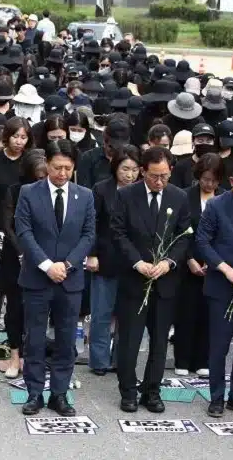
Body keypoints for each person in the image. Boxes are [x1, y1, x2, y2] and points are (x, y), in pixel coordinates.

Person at [15, 139, 96, 416]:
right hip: (38, 278)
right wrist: (47, 265)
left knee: (65, 339)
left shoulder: (84, 195)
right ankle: (34, 393)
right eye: (57, 167)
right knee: (35, 338)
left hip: (70, 279)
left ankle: (59, 394)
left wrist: (69, 264)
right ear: (46, 164)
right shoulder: (28, 192)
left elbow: (88, 234)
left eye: (67, 168)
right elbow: (24, 233)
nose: (62, 174)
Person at [111, 146, 191, 413]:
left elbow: (185, 236)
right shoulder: (126, 196)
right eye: (154, 176)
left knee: (159, 341)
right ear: (143, 172)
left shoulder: (178, 197)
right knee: (130, 340)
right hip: (135, 280)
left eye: (165, 176)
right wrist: (138, 262)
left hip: (165, 282)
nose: (160, 182)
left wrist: (168, 263)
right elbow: (118, 233)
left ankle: (152, 390)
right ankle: (128, 391)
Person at [195, 158, 233, 418]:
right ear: (232, 183)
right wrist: (224, 268)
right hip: (221, 286)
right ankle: (216, 396)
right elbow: (202, 242)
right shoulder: (216, 206)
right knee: (219, 345)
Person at [0, 117, 32, 351]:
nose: (19, 142)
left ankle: (16, 334)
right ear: (6, 136)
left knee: (18, 286)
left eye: (24, 137)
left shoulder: (30, 163)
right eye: (15, 136)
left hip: (23, 231)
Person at [86, 145, 141, 376]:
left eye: (135, 169)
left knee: (127, 316)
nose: (130, 175)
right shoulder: (101, 189)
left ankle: (121, 359)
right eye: (125, 169)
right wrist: (92, 254)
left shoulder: (141, 192)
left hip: (134, 262)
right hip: (105, 258)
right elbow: (92, 224)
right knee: (101, 313)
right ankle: (99, 361)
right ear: (115, 167)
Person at [0, 149, 47, 378]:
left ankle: (33, 356)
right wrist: (23, 252)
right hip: (15, 254)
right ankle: (15, 355)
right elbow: (9, 225)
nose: (43, 181)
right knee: (15, 307)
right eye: (38, 177)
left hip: (43, 256)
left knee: (37, 309)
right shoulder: (15, 190)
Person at [174, 153, 223, 377]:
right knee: (186, 313)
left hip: (216, 266)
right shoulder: (185, 196)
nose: (209, 184)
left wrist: (215, 262)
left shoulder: (224, 198)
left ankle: (203, 359)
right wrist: (191, 259)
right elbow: (180, 232)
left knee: (209, 314)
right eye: (205, 179)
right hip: (188, 265)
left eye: (213, 180)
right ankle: (182, 359)